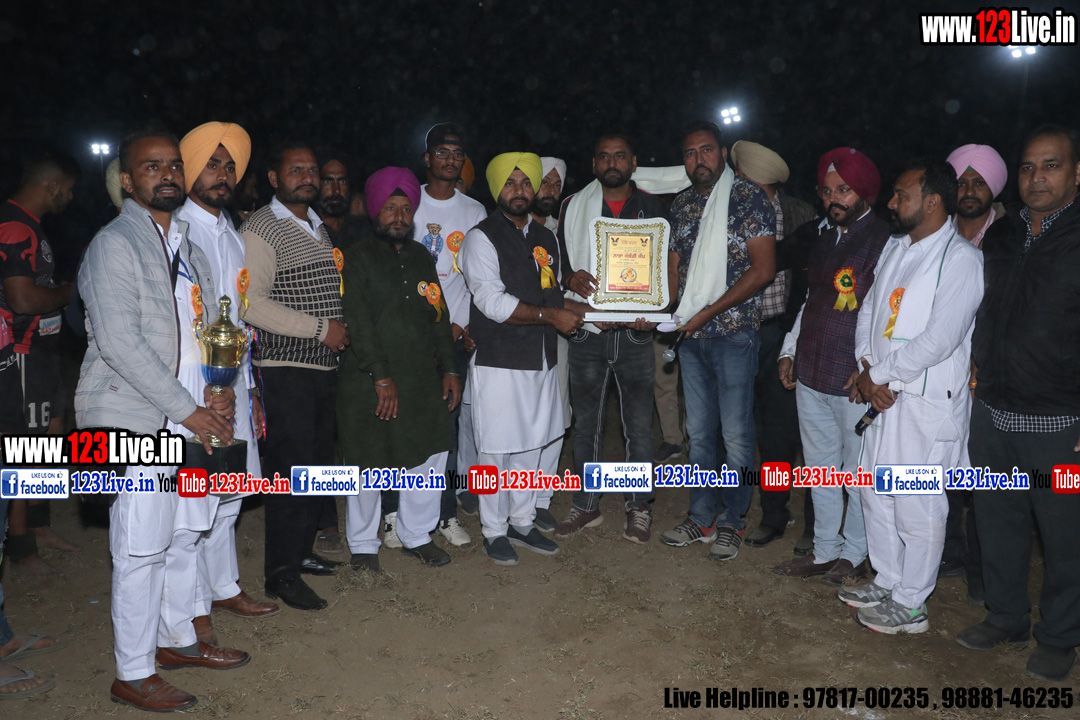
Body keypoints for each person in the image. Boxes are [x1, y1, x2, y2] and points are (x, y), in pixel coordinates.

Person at [77, 129, 242, 712]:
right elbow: (121, 343)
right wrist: (191, 409)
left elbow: (207, 330)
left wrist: (218, 392)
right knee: (141, 546)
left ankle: (177, 640)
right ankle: (133, 672)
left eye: (174, 165)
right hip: (132, 416)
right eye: (152, 167)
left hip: (188, 415)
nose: (167, 174)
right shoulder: (113, 244)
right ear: (127, 180)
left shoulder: (186, 247)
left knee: (184, 532)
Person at [838, 159, 982, 635]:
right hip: (883, 395)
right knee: (875, 491)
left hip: (924, 402)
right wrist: (867, 369)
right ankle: (888, 579)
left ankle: (913, 602)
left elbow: (940, 339)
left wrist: (878, 375)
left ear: (933, 201)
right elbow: (869, 312)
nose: (892, 202)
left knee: (916, 504)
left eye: (902, 195)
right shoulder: (896, 247)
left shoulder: (961, 260)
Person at [958, 125, 1080, 682]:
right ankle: (1006, 616)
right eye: (1029, 167)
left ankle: (1060, 635)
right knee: (998, 521)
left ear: (1077, 173)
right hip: (994, 414)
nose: (1037, 177)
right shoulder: (1002, 236)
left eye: (1052, 165)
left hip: (1062, 424)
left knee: (1066, 534)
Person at [176, 122, 280, 641]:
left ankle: (223, 586)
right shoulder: (176, 232)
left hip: (234, 383)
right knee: (194, 501)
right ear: (190, 169)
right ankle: (191, 606)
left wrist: (248, 386)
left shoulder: (235, 237)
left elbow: (241, 317)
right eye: (212, 164)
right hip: (189, 386)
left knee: (232, 491)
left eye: (229, 166)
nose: (222, 175)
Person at [458, 152, 585, 565]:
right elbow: (492, 302)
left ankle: (522, 520)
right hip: (499, 360)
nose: (519, 190)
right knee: (494, 452)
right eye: (510, 183)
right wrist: (553, 317)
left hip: (542, 358)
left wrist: (590, 311)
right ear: (497, 189)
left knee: (532, 444)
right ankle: (493, 531)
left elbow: (551, 294)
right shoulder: (480, 238)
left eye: (526, 182)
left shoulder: (546, 238)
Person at [659, 121, 775, 562]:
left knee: (737, 435)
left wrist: (708, 312)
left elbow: (763, 270)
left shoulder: (749, 198)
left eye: (706, 150)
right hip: (690, 337)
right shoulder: (681, 205)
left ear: (723, 154)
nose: (698, 160)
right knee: (700, 434)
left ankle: (732, 521)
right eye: (690, 153)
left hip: (733, 334)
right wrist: (652, 308)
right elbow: (673, 277)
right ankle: (702, 517)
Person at [774, 147, 888, 584]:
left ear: (865, 192)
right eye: (826, 191)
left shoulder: (886, 241)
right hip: (812, 371)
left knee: (857, 474)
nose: (833, 198)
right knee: (819, 469)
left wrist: (871, 368)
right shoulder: (824, 240)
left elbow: (887, 313)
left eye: (843, 189)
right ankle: (824, 550)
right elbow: (810, 301)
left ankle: (854, 554)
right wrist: (789, 350)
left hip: (853, 380)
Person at [240, 141, 347, 611]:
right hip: (286, 370)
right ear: (273, 178)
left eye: (312, 170)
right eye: (295, 170)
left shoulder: (316, 225)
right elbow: (250, 303)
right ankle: (280, 575)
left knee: (317, 469)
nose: (307, 177)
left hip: (321, 369)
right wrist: (321, 329)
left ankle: (301, 552)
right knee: (289, 474)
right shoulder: (262, 227)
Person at [340, 167, 460, 571]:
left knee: (429, 453)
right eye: (391, 208)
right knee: (368, 459)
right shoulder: (357, 257)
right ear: (376, 210)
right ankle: (362, 543)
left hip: (421, 377)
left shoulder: (422, 256)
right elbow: (358, 321)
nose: (399, 216)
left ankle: (416, 534)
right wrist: (381, 375)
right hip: (368, 380)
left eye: (406, 209)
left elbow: (439, 316)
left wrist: (450, 368)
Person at [554, 134, 666, 543]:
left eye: (620, 156)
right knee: (587, 425)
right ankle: (587, 504)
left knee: (638, 427)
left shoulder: (654, 207)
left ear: (633, 163)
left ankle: (638, 506)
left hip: (636, 334)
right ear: (594, 164)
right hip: (588, 331)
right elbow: (557, 260)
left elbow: (666, 267)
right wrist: (569, 277)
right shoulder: (573, 205)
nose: (612, 162)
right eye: (604, 156)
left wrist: (656, 309)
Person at [729, 140, 816, 550]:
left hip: (780, 334)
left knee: (778, 431)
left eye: (742, 176)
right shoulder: (726, 210)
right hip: (733, 331)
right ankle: (731, 508)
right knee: (733, 428)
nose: (737, 181)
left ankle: (775, 514)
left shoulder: (801, 216)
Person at [0, 148, 82, 576]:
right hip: (20, 354)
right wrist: (67, 292)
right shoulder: (14, 226)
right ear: (51, 186)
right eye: (68, 189)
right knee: (21, 449)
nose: (70, 197)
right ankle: (20, 546)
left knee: (50, 437)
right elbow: (22, 298)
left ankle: (38, 523)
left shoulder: (31, 226)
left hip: (43, 353)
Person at [940, 142, 1008, 603]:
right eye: (962, 182)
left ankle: (980, 568)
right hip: (938, 371)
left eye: (978, 182)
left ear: (993, 187)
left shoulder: (1009, 238)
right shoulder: (935, 232)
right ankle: (947, 552)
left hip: (988, 374)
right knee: (939, 466)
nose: (968, 190)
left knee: (980, 476)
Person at [946, 143, 1008, 249]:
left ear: (993, 187)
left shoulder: (1013, 235)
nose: (969, 192)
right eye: (961, 184)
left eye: (979, 184)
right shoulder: (934, 233)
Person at [531, 157, 566, 233]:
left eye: (557, 186)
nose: (552, 192)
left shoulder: (561, 232)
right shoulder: (508, 227)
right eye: (545, 182)